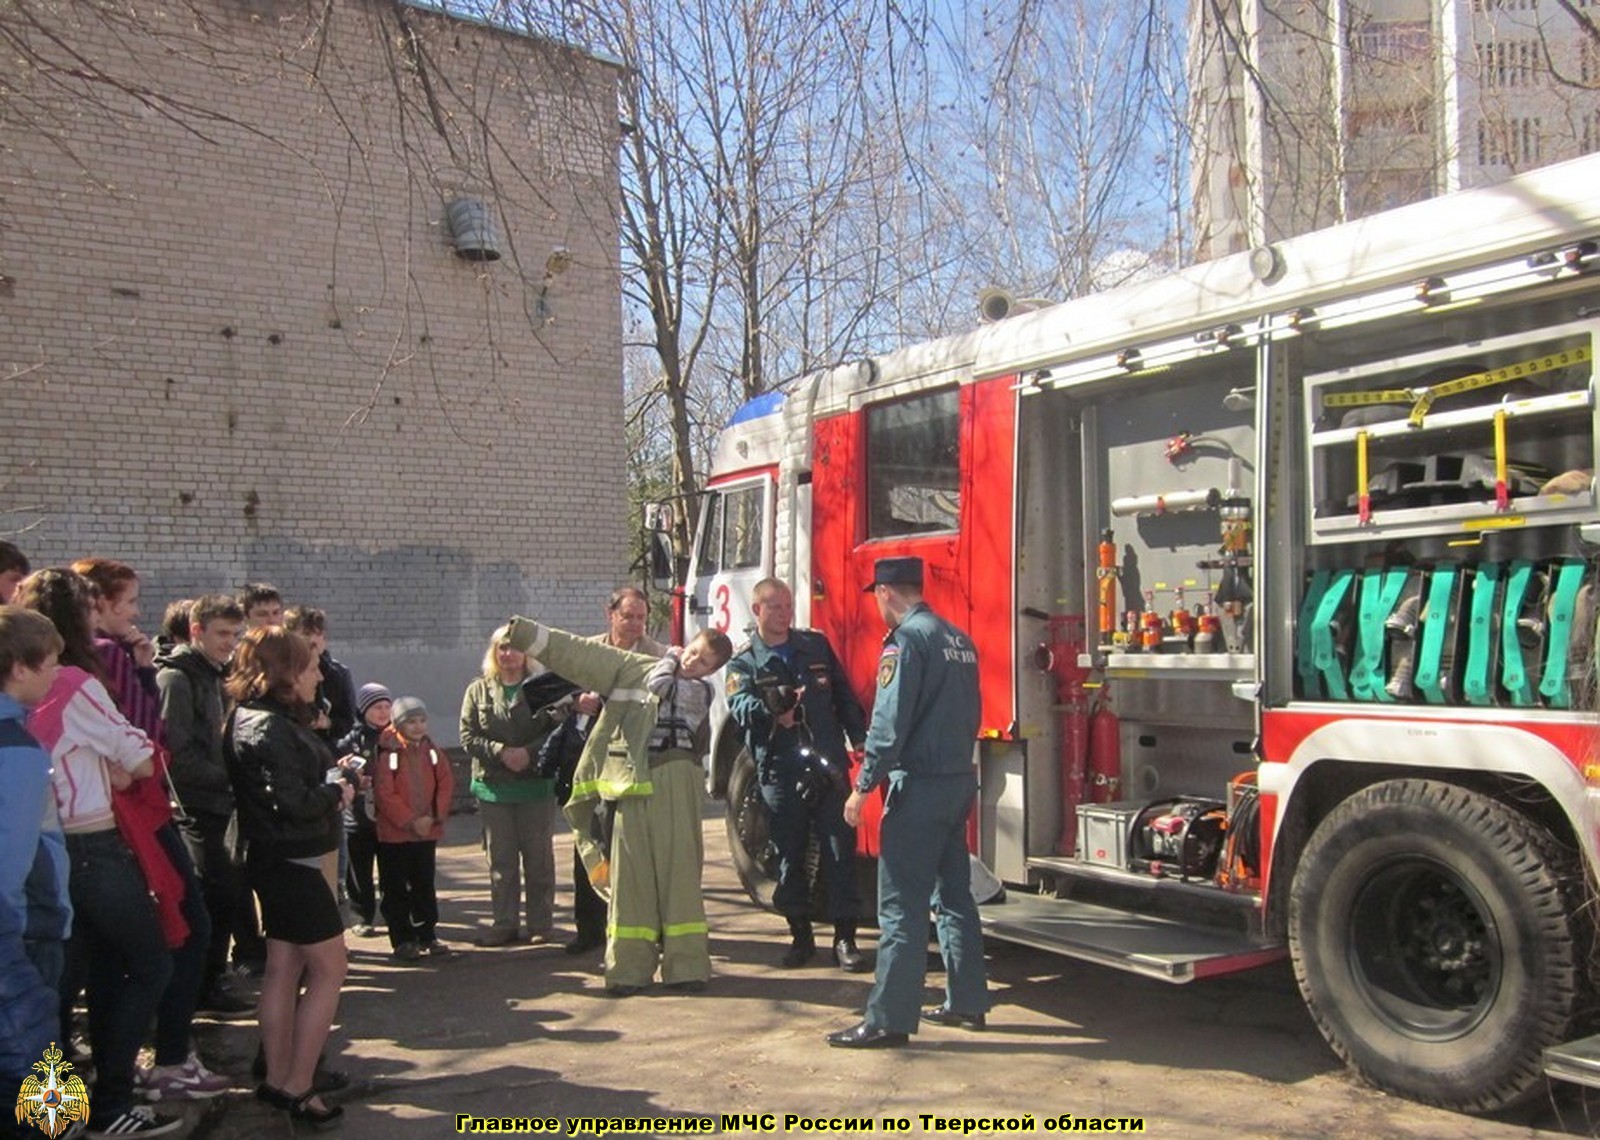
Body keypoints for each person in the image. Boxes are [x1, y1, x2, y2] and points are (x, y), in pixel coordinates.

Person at [17, 569, 182, 1136]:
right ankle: (110, 1102)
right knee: (150, 962)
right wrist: (115, 766)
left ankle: (57, 1114)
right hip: (90, 845)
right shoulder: (69, 684)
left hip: (39, 852)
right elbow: (139, 756)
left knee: (59, 985)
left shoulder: (20, 706)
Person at [74, 558, 231, 1099]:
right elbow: (144, 745)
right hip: (103, 835)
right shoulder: (83, 676)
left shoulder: (84, 672)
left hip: (96, 835)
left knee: (95, 969)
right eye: (127, 603)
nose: (137, 614)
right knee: (161, 948)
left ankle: (106, 1092)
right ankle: (135, 1078)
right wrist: (138, 677)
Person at [506, 617, 731, 996]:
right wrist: (527, 634)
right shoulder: (632, 666)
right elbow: (580, 654)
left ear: (713, 670)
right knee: (630, 879)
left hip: (677, 779)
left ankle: (687, 966)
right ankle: (627, 968)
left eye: (704, 662)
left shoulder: (697, 689)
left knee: (680, 876)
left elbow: (661, 685)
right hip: (631, 781)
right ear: (686, 643)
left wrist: (672, 659)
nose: (694, 662)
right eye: (692, 652)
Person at [826, 557, 988, 1050]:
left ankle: (889, 1019)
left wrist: (863, 785)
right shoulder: (959, 639)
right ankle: (967, 1002)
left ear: (885, 592)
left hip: (918, 785)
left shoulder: (905, 642)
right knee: (955, 897)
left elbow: (889, 722)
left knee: (900, 907)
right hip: (957, 780)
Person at [225, 626, 350, 1129]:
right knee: (329, 968)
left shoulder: (254, 718)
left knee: (284, 965)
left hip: (274, 857)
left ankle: (279, 1078)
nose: (319, 672)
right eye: (309, 665)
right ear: (285, 673)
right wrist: (337, 790)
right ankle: (299, 1084)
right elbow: (294, 802)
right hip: (292, 859)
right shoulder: (268, 727)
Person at [727, 578, 869, 972]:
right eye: (775, 607)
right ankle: (801, 937)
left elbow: (842, 694)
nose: (784, 614)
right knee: (789, 855)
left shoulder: (815, 646)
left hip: (826, 766)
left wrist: (858, 737)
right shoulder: (744, 662)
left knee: (839, 851)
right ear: (757, 610)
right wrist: (772, 710)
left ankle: (846, 940)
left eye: (788, 606)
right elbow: (737, 706)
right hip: (779, 770)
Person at [157, 593, 253, 1018]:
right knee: (215, 895)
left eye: (235, 634)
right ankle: (202, 986)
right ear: (196, 631)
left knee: (227, 895)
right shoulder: (177, 679)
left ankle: (212, 979)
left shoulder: (216, 673)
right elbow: (175, 754)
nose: (230, 643)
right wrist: (233, 777)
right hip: (195, 808)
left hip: (222, 802)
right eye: (222, 634)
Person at [558, 586, 667, 955]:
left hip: (636, 767)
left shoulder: (659, 656)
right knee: (589, 843)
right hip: (590, 764)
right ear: (611, 615)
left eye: (641, 617)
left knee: (638, 850)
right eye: (628, 616)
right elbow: (543, 698)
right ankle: (589, 929)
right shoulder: (585, 653)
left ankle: (644, 927)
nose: (636, 623)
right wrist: (575, 702)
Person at [0, 606, 71, 1140]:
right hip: (21, 929)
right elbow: (14, 859)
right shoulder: (17, 750)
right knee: (36, 1052)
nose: (55, 676)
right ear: (19, 668)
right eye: (49, 664)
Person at [459, 627, 573, 948]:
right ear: (494, 653)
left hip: (534, 787)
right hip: (494, 789)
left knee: (539, 861)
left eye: (514, 648)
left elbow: (558, 728)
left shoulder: (542, 688)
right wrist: (501, 753)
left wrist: (529, 753)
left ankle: (541, 924)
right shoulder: (478, 691)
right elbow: (467, 735)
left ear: (527, 654)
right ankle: (504, 923)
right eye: (502, 648)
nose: (508, 654)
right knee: (501, 862)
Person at [372, 697, 454, 961]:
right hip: (395, 835)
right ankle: (402, 938)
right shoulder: (389, 753)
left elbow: (445, 783)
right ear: (398, 724)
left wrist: (434, 816)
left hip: (426, 831)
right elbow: (385, 793)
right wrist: (410, 820)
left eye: (422, 721)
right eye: (411, 721)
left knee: (423, 884)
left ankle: (427, 933)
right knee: (395, 887)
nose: (418, 727)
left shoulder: (432, 751)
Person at [336, 684, 390, 937]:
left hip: (389, 816)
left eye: (387, 707)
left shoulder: (395, 737)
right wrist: (354, 777)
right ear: (364, 710)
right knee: (359, 871)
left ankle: (394, 912)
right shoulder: (352, 738)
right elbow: (338, 764)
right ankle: (361, 915)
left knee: (392, 869)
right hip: (357, 816)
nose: (383, 712)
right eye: (377, 707)